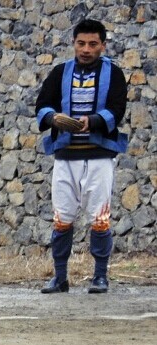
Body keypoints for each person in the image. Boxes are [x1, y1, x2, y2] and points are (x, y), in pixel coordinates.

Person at [35, 19, 128, 294]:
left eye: (92, 44)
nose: (86, 49)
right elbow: (42, 106)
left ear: (103, 45)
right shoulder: (59, 72)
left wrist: (95, 121)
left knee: (99, 217)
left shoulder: (115, 74)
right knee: (62, 217)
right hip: (65, 157)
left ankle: (100, 276)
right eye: (81, 43)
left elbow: (117, 109)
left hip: (99, 156)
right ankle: (60, 277)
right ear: (73, 43)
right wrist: (55, 118)